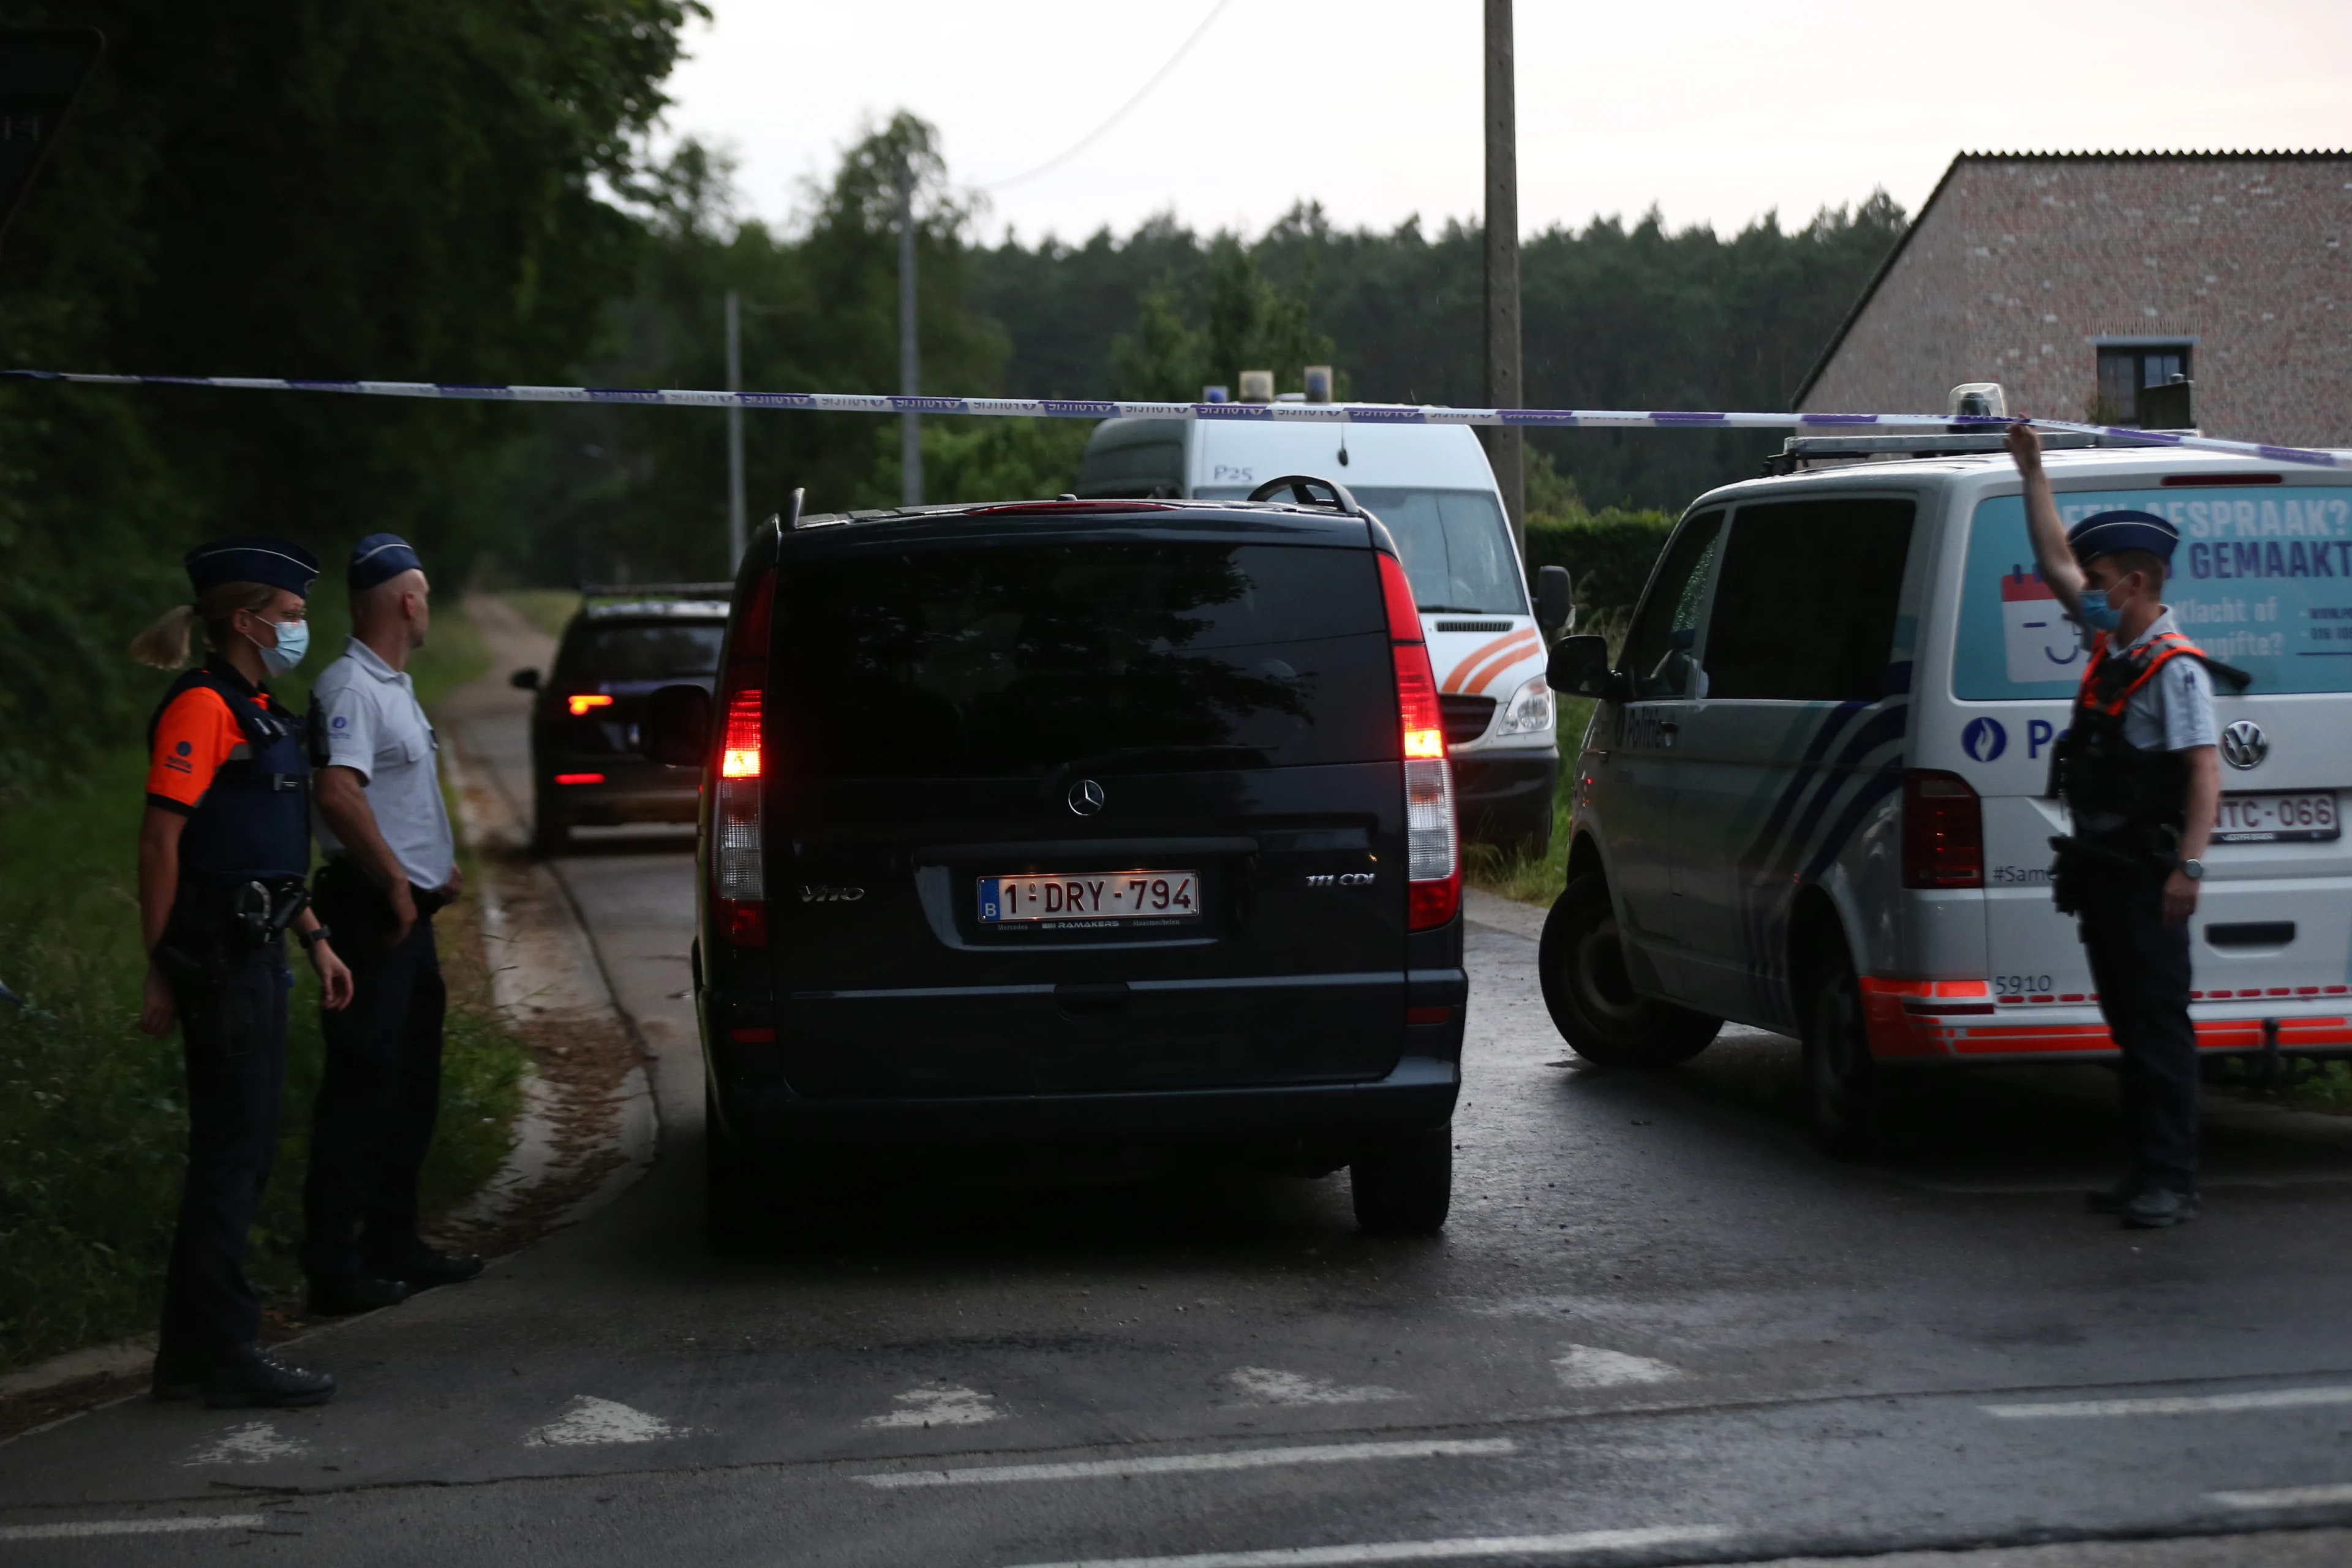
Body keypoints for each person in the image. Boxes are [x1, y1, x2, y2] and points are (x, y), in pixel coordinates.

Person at [132, 537, 353, 1407]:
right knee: (232, 1158)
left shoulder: (256, 705)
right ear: (245, 619)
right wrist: (163, 966)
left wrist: (315, 934)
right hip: (219, 961)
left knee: (243, 1151)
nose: (301, 628)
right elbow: (163, 841)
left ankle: (189, 1355)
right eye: (293, 617)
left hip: (257, 947)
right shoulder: (201, 707)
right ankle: (223, 1351)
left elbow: (251, 849)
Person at [2007, 423, 2229, 1229]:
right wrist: (2032, 475)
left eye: (2103, 580)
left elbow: (2206, 773)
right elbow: (2055, 565)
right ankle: (2145, 1171)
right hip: (2102, 866)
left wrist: (2190, 870)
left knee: (2158, 1028)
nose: (2087, 590)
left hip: (2146, 871)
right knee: (2128, 1026)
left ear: (2136, 583)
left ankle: (2174, 1177)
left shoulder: (2175, 668)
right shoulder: (2113, 640)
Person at [299, 533, 483, 1313]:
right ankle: (335, 1269)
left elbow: (394, 796)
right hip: (374, 914)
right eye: (429, 594)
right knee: (363, 1089)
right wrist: (398, 884)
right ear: (408, 601)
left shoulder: (393, 686)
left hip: (408, 911)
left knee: (409, 1086)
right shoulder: (351, 689)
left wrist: (432, 865)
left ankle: (393, 1243)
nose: (430, 606)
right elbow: (338, 794)